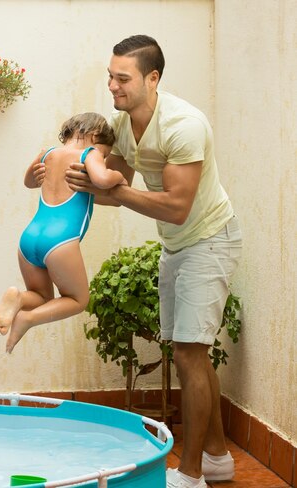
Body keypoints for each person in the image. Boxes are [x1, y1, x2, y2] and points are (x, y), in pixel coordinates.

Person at [65, 35, 242, 488]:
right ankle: (219, 458)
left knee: (188, 353)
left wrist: (114, 191)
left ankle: (192, 473)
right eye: (110, 75)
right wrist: (79, 181)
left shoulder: (184, 125)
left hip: (208, 239)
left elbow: (174, 205)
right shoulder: (124, 125)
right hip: (176, 244)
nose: (112, 86)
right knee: (191, 354)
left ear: (152, 78)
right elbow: (114, 188)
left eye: (122, 78)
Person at [0, 112, 126, 354]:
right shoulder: (90, 154)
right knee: (78, 300)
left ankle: (20, 299)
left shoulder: (48, 153)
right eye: (105, 154)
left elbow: (29, 182)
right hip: (60, 241)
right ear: (95, 136)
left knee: (41, 296)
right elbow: (103, 180)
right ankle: (27, 319)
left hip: (29, 238)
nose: (103, 159)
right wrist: (118, 175)